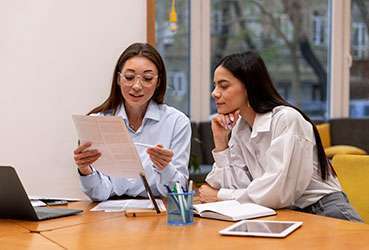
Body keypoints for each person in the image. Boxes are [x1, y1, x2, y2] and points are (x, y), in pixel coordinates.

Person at [199, 51, 362, 222]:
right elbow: (231, 185)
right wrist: (221, 143)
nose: (214, 93)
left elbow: (277, 193)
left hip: (324, 211)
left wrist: (220, 196)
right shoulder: (241, 128)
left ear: (249, 86)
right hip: (285, 212)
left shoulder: (286, 120)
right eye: (215, 86)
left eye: (223, 86)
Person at [73, 43, 191, 201]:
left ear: (158, 82)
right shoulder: (97, 122)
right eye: (129, 77)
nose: (136, 86)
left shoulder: (177, 122)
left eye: (147, 78)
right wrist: (85, 169)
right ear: (118, 79)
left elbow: (179, 190)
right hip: (109, 216)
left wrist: (165, 167)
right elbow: (99, 194)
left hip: (158, 215)